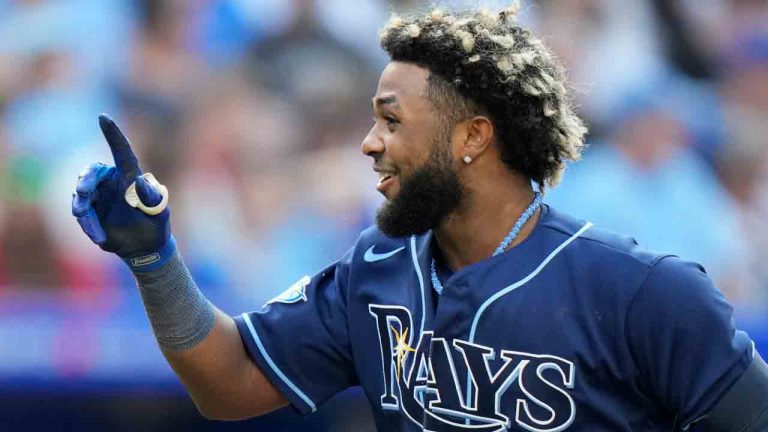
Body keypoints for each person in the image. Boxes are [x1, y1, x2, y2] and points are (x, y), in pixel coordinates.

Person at [71, 4, 768, 431]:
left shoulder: (644, 292)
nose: (369, 144)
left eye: (392, 121)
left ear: (472, 137)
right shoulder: (376, 270)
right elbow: (229, 386)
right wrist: (154, 261)